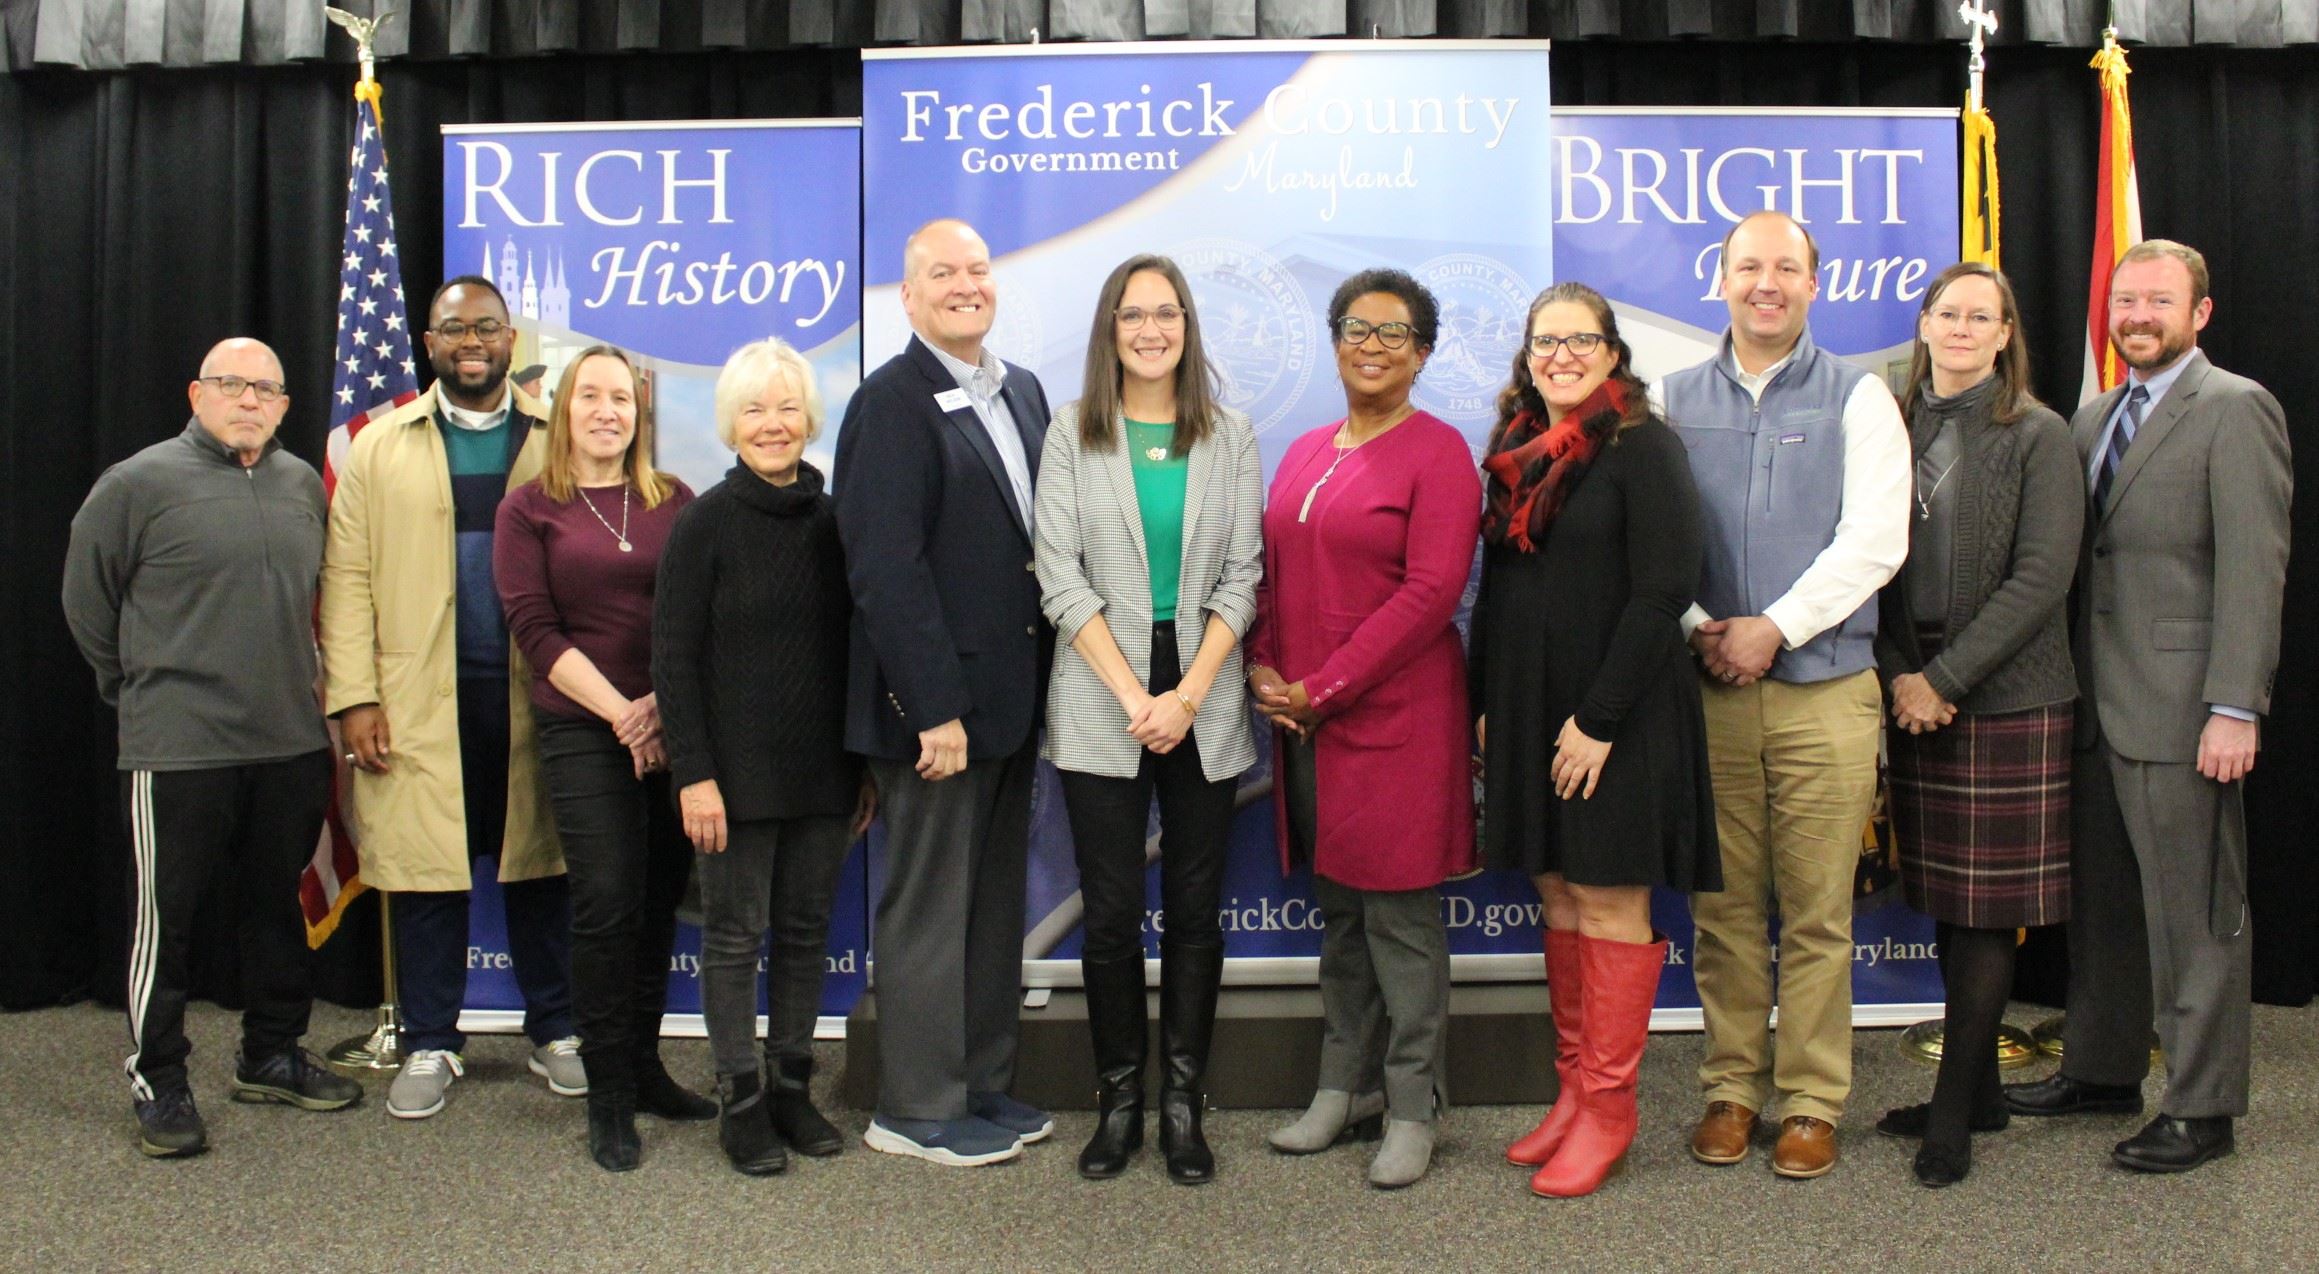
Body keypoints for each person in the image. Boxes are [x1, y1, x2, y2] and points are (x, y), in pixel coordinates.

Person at [2002, 239, 2290, 1175]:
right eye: (2124, 301)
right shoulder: (2088, 418)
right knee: (2106, 911)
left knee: (2193, 918)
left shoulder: (2236, 409)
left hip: (2182, 710)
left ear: (2197, 314)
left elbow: (2255, 569)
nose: (2136, 316)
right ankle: (2100, 1069)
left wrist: (2234, 707)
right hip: (2088, 704)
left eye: (2157, 302)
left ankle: (2202, 1107)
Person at [63, 339, 364, 1157]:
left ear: (283, 405)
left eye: (267, 389)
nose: (250, 400)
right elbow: (86, 602)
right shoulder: (137, 483)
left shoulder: (303, 482)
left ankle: (270, 1053)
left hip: (289, 744)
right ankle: (159, 1077)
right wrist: (136, 687)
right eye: (233, 385)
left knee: (276, 909)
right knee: (168, 921)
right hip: (179, 747)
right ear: (198, 393)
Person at [1666, 211, 1910, 1180]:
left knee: (1816, 912)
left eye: (1786, 267)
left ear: (1816, 282)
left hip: (1825, 691)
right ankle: (1732, 1086)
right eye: (1748, 266)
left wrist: (1775, 626)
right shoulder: (1670, 397)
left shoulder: (1860, 397)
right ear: (1720, 279)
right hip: (1707, 690)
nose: (1767, 282)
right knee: (1721, 906)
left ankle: (1811, 1099)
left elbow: (1875, 540)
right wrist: (1702, 626)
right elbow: (1650, 538)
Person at [1470, 284, 1719, 1197]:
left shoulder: (1643, 448)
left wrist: (1599, 720)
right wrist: (1487, 701)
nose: (1561, 356)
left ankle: (1611, 1110)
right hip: (1530, 709)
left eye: (1580, 341)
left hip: (1619, 716)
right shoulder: (1515, 451)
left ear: (1612, 354)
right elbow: (1497, 589)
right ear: (1526, 354)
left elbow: (1662, 593)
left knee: (1609, 899)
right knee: (1558, 890)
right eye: (1545, 341)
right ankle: (1575, 1093)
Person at [319, 276, 581, 1121]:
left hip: (537, 692)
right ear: (429, 344)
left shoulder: (561, 437)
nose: (473, 341)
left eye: (489, 327)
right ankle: (431, 1038)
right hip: (416, 695)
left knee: (543, 863)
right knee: (428, 875)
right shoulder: (380, 445)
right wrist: (353, 696)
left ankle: (557, 1031)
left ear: (513, 341)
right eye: (455, 328)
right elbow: (347, 579)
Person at [1034, 255, 1265, 1185]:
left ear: (1186, 326)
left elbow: (1243, 576)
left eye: (1166, 314)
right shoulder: (1069, 432)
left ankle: (1180, 1108)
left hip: (1202, 692)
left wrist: (1186, 693)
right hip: (1102, 695)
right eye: (1133, 315)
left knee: (1196, 915)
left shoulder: (1231, 434)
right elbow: (1058, 574)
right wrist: (1136, 697)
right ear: (1110, 328)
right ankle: (1119, 1104)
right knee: (1112, 916)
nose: (1150, 330)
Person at [832, 219, 1054, 1167]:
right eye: (941, 273)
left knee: (992, 906)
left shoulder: (1025, 392)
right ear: (908, 295)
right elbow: (885, 570)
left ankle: (979, 1084)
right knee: (928, 909)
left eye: (976, 268)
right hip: (939, 720)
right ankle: (916, 1106)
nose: (964, 284)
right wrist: (934, 708)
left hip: (1012, 706)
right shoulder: (890, 405)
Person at [1253, 269, 1481, 1189]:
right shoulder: (1306, 449)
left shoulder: (1441, 456)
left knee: (1400, 923)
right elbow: (1269, 568)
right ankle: (1340, 1087)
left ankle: (1414, 1104)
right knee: (1339, 916)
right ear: (1333, 338)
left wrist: (1327, 684)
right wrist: (1265, 668)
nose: (1372, 346)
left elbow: (1431, 596)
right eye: (1355, 327)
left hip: (1394, 719)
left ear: (1422, 354)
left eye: (1394, 334)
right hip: (1305, 721)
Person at [1870, 263, 2082, 1187]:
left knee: (1988, 912)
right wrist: (1898, 675)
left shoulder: (2038, 434)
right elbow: (1867, 558)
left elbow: (2041, 580)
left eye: (1980, 317)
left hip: (2004, 696)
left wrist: (1942, 678)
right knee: (1947, 906)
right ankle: (1982, 1094)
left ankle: (1953, 1114)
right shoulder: (1887, 421)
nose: (1960, 328)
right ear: (1922, 324)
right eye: (1946, 312)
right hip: (1909, 681)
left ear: (2004, 335)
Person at [653, 338, 873, 1177]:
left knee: (808, 933)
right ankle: (738, 1097)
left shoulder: (833, 521)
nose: (772, 424)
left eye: (787, 408)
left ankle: (791, 1086)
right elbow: (673, 660)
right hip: (731, 779)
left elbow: (852, 648)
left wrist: (858, 767)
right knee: (736, 937)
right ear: (730, 424)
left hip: (822, 771)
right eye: (754, 408)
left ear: (809, 418)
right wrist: (694, 775)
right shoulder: (703, 522)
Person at [496, 345, 707, 1171]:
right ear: (564, 407)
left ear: (638, 412)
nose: (607, 412)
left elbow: (692, 617)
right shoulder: (528, 510)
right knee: (607, 901)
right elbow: (535, 630)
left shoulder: (673, 500)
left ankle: (647, 1067)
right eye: (591, 396)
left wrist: (661, 704)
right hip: (586, 729)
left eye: (621, 398)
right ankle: (608, 1094)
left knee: (659, 900)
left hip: (670, 723)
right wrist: (624, 713)